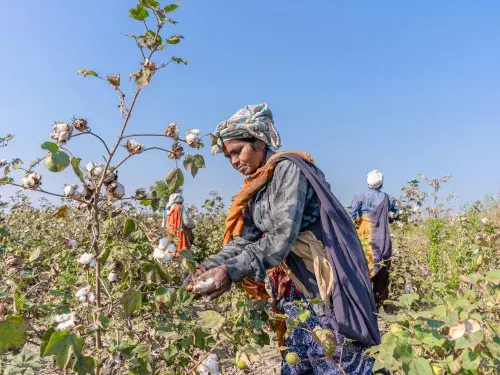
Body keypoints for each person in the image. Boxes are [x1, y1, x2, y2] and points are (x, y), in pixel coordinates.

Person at [186, 103, 380, 374]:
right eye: (228, 156)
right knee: (300, 358)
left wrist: (230, 271)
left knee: (335, 358)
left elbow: (280, 237)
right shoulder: (259, 184)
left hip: (320, 280)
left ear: (259, 141)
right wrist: (209, 265)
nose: (233, 161)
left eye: (237, 151)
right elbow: (248, 238)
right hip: (293, 285)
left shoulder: (288, 169)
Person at [350, 170, 398, 310]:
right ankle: (378, 306)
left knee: (363, 267)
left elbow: (352, 217)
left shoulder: (359, 196)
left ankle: (362, 304)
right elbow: (396, 215)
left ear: (368, 182)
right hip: (382, 238)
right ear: (381, 182)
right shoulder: (388, 198)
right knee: (382, 269)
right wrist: (387, 218)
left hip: (364, 236)